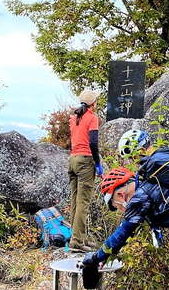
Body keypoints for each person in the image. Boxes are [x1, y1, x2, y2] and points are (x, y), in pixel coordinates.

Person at [68, 89, 104, 252]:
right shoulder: (92, 118)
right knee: (83, 202)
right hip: (85, 161)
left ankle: (78, 238)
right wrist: (97, 163)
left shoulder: (73, 118)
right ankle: (77, 242)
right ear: (93, 104)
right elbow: (94, 143)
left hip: (72, 160)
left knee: (75, 201)